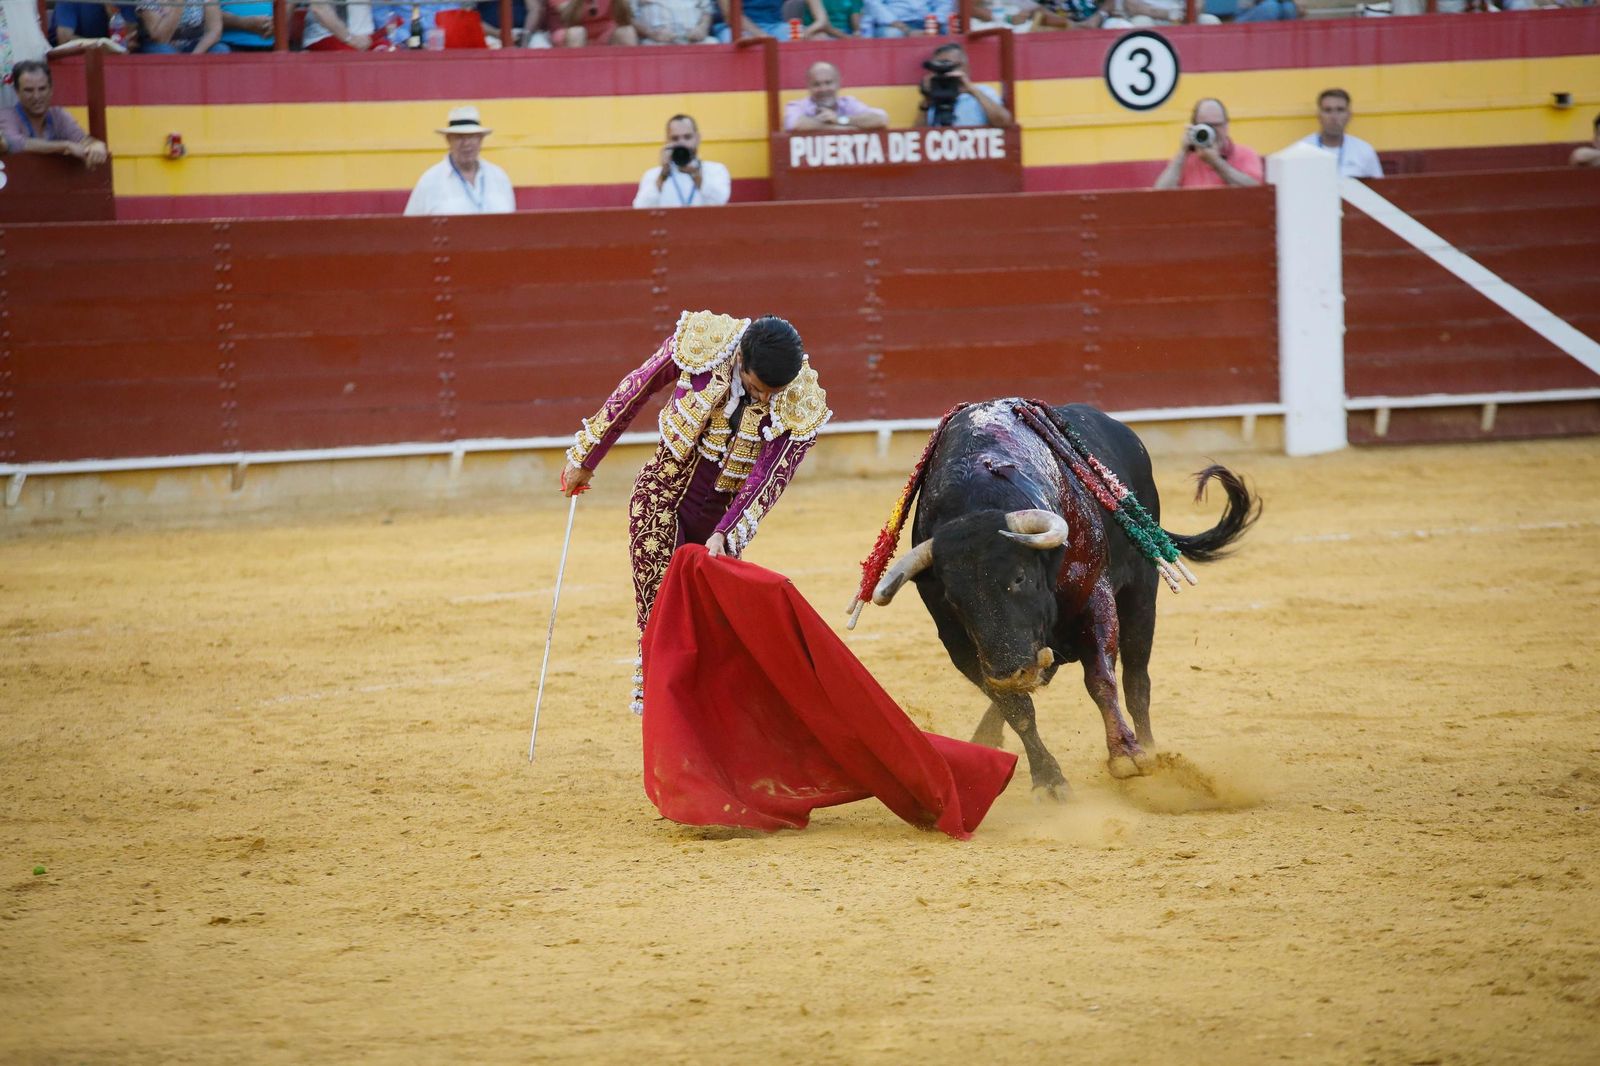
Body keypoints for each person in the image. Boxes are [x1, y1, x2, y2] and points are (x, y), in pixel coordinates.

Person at [559, 310, 831, 712]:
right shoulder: (703, 342)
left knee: (715, 625)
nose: (764, 400)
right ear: (740, 359)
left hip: (720, 519)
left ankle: (704, 721)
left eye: (772, 393)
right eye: (757, 389)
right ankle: (666, 720)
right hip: (660, 495)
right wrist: (586, 456)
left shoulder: (800, 400)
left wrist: (725, 531)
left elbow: (768, 477)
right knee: (660, 616)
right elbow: (637, 388)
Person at [403, 105, 515, 215]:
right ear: (448, 140)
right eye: (459, 137)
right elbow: (410, 225)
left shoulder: (499, 178)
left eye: (472, 136)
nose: (466, 143)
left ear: (481, 139)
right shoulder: (430, 182)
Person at [1, 60, 109, 166]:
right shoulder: (7, 116)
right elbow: (12, 143)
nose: (36, 96)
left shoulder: (58, 115)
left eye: (42, 89)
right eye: (28, 90)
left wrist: (95, 145)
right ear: (17, 92)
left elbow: (82, 140)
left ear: (51, 89)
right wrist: (64, 146)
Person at [1152, 97, 1262, 189]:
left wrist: (1216, 162)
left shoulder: (1245, 154)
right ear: (1194, 126)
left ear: (1226, 125)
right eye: (1206, 126)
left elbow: (1255, 191)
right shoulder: (1185, 159)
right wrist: (1182, 152)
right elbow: (1160, 195)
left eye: (1216, 125)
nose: (1212, 131)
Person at [631, 114, 730, 208]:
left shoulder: (716, 170)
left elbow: (720, 202)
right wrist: (662, 176)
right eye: (675, 138)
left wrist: (697, 176)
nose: (681, 143)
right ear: (667, 141)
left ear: (697, 138)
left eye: (687, 137)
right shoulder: (653, 175)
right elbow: (640, 208)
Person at [915, 42, 1011, 129]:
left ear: (966, 68)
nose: (944, 71)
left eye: (949, 65)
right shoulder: (934, 94)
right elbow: (918, 135)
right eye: (938, 67)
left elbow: (1004, 122)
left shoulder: (983, 92)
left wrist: (972, 90)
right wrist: (926, 101)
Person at [1293, 88, 1382, 179]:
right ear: (1319, 115)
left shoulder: (1364, 150)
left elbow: (1378, 185)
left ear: (1349, 115)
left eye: (1340, 110)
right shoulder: (1300, 151)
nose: (1334, 117)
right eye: (1328, 110)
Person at [784, 62, 888, 132]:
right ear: (808, 86)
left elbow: (881, 119)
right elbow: (794, 124)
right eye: (816, 84)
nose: (823, 89)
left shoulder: (848, 103)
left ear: (838, 83)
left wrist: (840, 119)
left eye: (828, 83)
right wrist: (838, 128)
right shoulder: (797, 106)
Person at [136, 0, 228, 52]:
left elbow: (214, 31)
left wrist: (194, 57)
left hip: (194, 45)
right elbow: (161, 38)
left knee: (220, 49)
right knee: (164, 51)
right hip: (161, 45)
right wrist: (179, 3)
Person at [546, 0, 638, 45]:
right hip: (570, 30)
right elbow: (568, 19)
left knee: (627, 31)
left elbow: (625, 20)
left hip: (606, 32)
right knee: (576, 32)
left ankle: (629, 75)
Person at [303, 0, 378, 49]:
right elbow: (319, 9)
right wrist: (349, 39)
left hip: (363, 36)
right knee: (356, 58)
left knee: (382, 52)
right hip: (324, 36)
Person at [633, 0, 714, 42]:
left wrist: (702, 28)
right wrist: (650, 33)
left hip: (694, 40)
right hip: (654, 41)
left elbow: (707, 11)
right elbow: (630, 18)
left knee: (712, 44)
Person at [863, 0, 949, 35]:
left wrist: (933, 27)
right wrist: (906, 30)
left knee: (948, 31)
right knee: (892, 33)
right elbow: (873, 4)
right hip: (894, 24)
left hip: (927, 22)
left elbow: (944, 4)